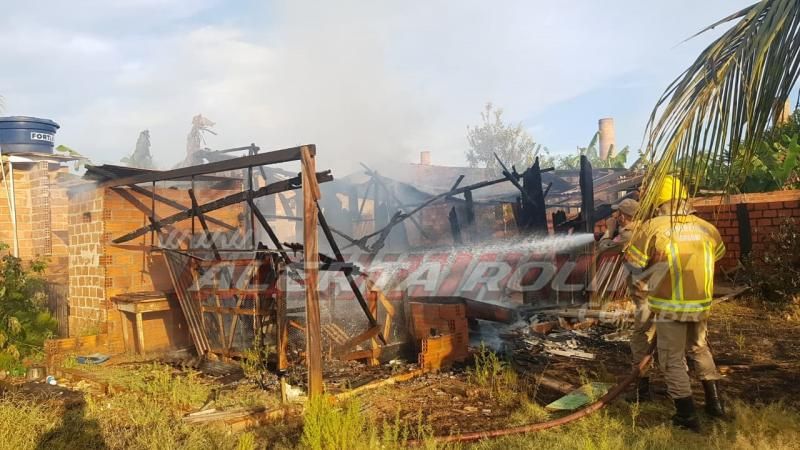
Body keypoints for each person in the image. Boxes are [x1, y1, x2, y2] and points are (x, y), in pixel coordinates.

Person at [624, 175, 726, 432]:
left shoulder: (653, 227)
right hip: (700, 305)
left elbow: (634, 266)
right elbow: (717, 255)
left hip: (670, 307)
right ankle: (716, 406)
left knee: (672, 359)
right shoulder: (707, 228)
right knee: (700, 349)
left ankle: (686, 416)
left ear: (659, 202)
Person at [598, 198, 656, 402]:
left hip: (646, 299)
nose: (615, 217)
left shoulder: (628, 234)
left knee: (640, 339)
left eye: (617, 214)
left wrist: (609, 230)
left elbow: (604, 248)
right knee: (673, 342)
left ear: (623, 216)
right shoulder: (650, 230)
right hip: (665, 295)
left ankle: (643, 391)